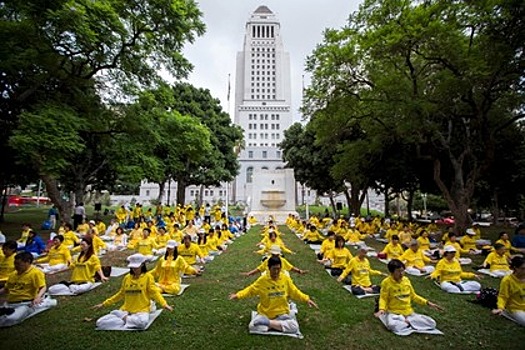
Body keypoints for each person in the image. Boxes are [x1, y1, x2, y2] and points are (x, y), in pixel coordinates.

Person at [229, 256, 318, 334]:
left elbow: (295, 291)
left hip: (281, 313)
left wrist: (306, 299)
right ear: (269, 268)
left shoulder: (285, 279)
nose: (276, 271)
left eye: (278, 269)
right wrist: (238, 295)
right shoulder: (263, 280)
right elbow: (250, 289)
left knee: (294, 327)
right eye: (274, 269)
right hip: (266, 313)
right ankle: (275, 324)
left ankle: (268, 323)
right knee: (252, 326)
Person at [93, 253, 173, 330]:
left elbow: (154, 292)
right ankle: (127, 320)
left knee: (142, 323)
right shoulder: (127, 278)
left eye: (136, 267)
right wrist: (104, 304)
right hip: (126, 310)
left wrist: (164, 304)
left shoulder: (148, 277)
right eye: (132, 267)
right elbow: (120, 294)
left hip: (141, 311)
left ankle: (123, 318)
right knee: (100, 322)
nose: (134, 269)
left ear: (142, 264)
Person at [374, 259, 443, 333]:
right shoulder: (386, 283)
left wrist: (428, 303)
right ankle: (405, 321)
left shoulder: (406, 280)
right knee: (391, 325)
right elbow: (383, 298)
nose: (401, 274)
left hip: (408, 313)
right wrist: (381, 309)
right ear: (392, 272)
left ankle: (407, 321)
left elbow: (413, 296)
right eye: (398, 271)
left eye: (402, 271)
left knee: (432, 323)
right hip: (394, 313)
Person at [0, 252, 57, 327]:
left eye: (18, 264)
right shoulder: (13, 274)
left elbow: (42, 287)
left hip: (26, 303)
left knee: (11, 318)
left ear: (28, 262)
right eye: (15, 263)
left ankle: (43, 302)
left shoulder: (35, 273)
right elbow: (6, 289)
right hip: (10, 303)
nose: (16, 266)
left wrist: (38, 297)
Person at [492, 256, 525, 326]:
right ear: (515, 268)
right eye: (523, 269)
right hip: (515, 309)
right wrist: (500, 308)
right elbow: (502, 296)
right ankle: (505, 312)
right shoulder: (507, 280)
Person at [243, 245, 307, 277]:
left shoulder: (283, 260)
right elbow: (259, 269)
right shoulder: (267, 260)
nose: (275, 255)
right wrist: (249, 273)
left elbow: (291, 268)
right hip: (270, 277)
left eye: (276, 254)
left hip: (280, 278)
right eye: (274, 254)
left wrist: (299, 271)